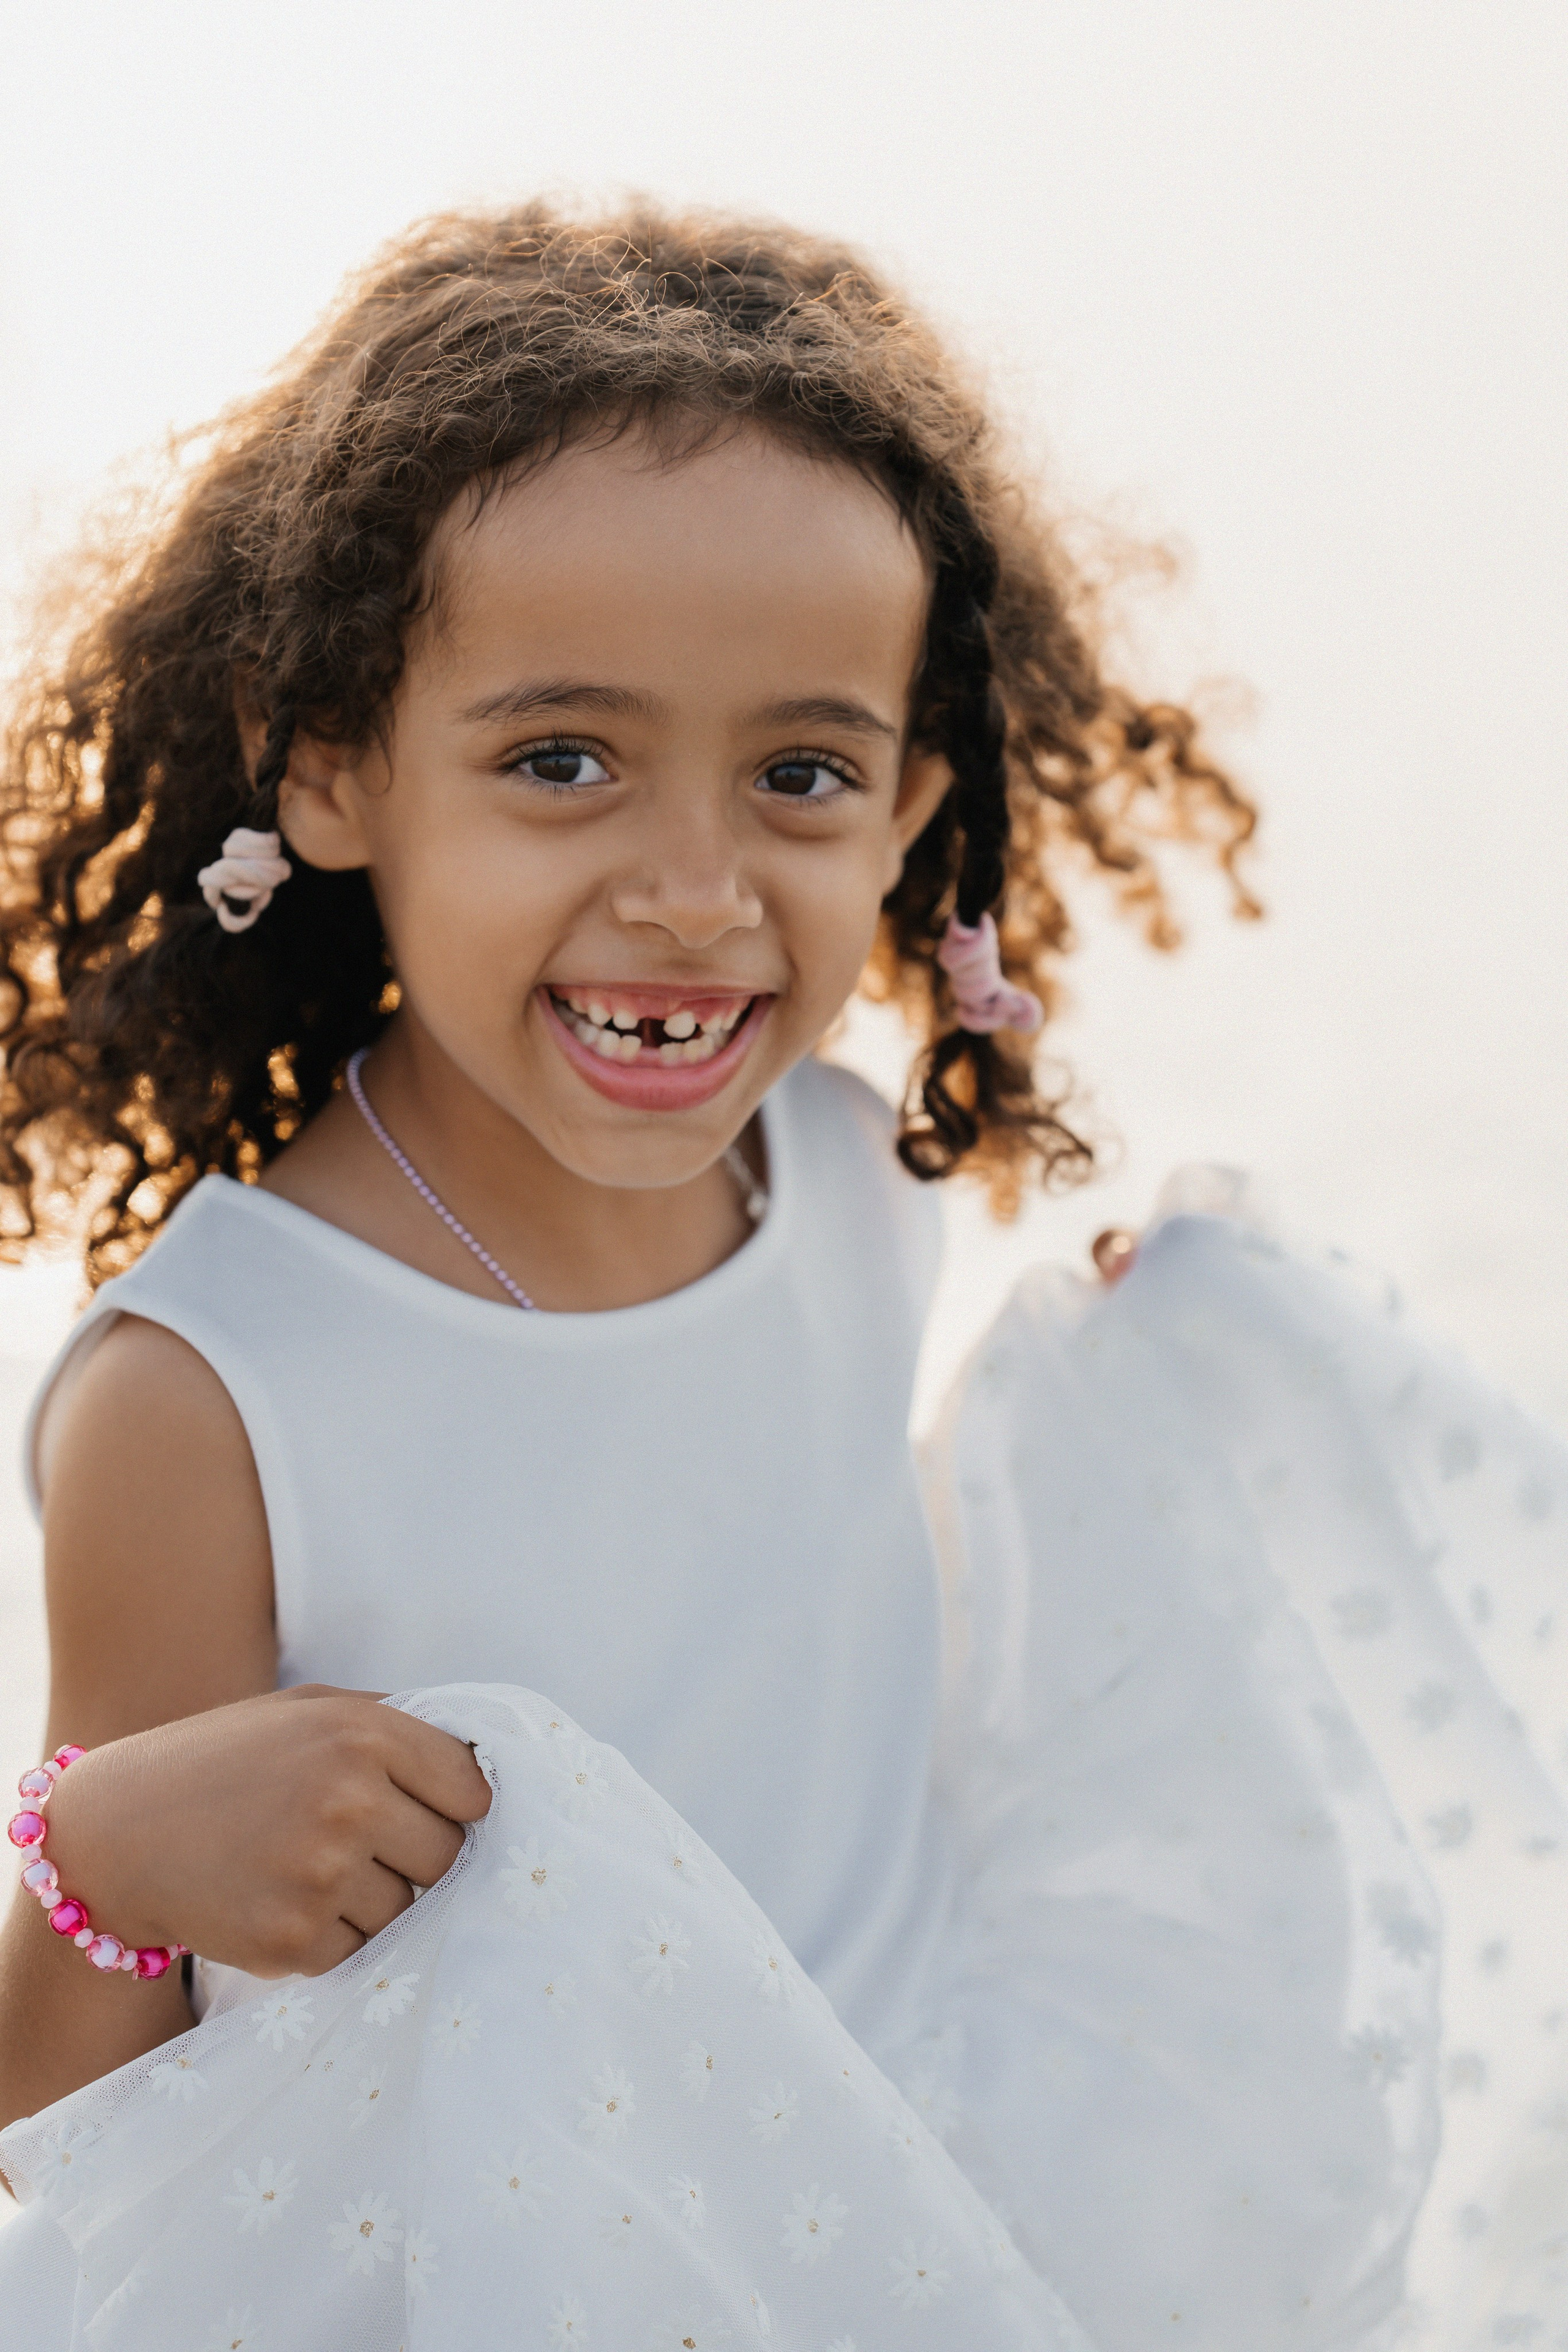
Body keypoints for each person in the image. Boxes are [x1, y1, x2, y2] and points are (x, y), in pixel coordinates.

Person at [0, 203, 1564, 2350]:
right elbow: (81, 2133)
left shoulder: (847, 1176)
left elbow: (791, 1593)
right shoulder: (204, 1397)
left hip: (911, 2184)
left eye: (801, 773)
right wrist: (107, 1863)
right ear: (334, 766)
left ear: (915, 807)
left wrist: (1124, 1381)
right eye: (562, 760)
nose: (693, 886)